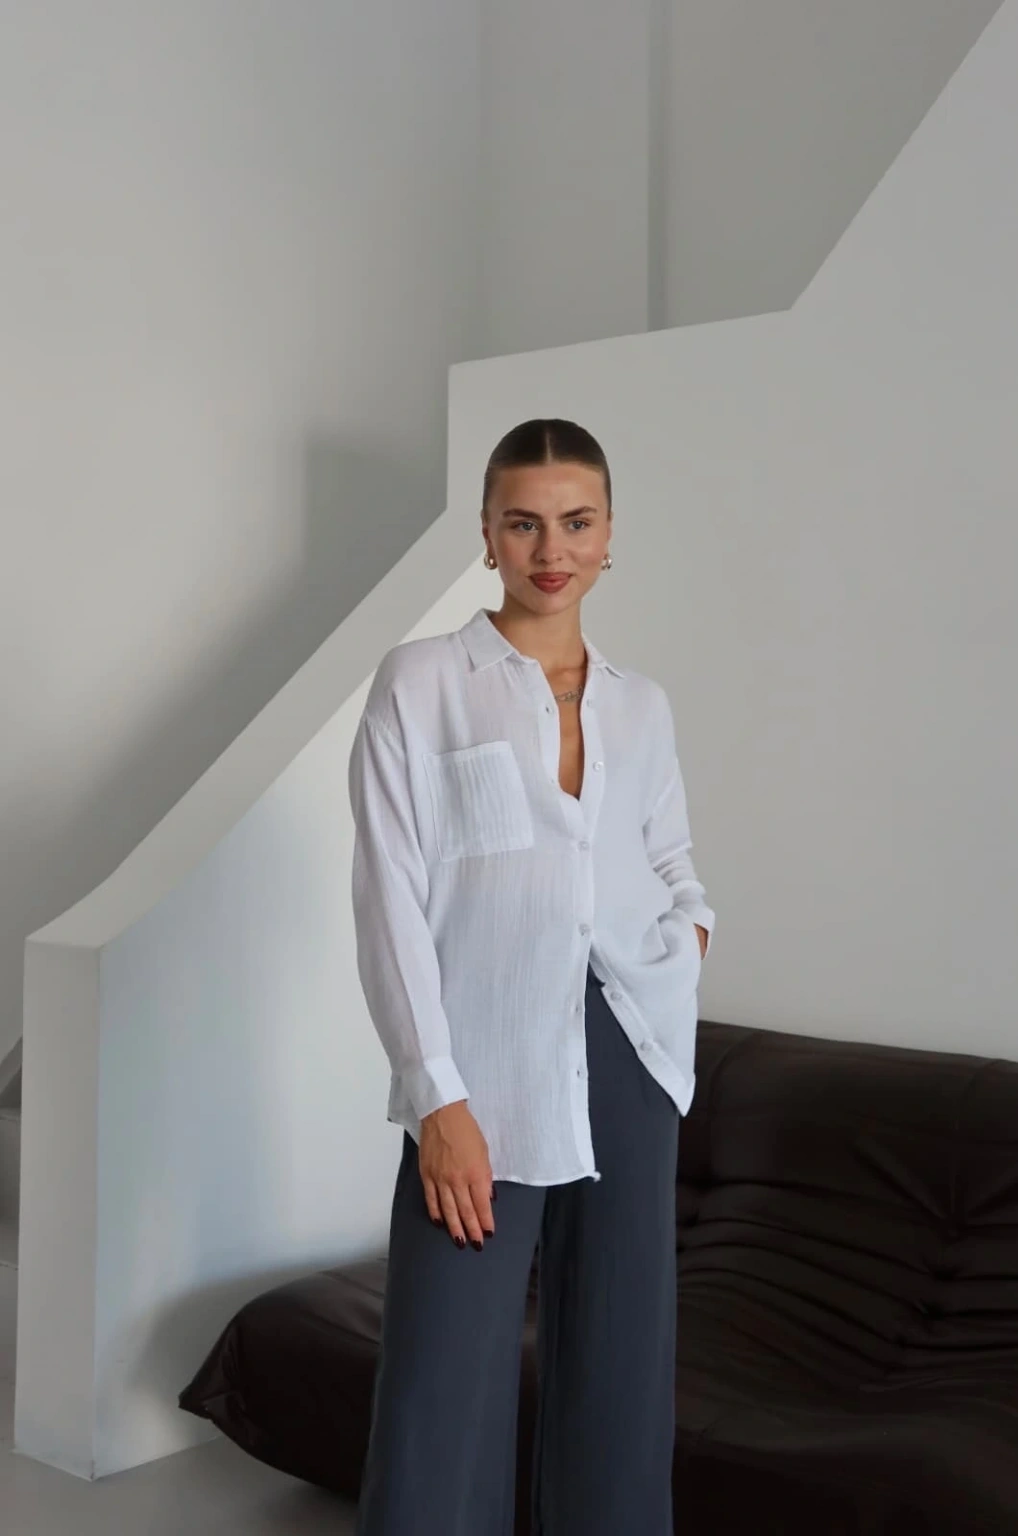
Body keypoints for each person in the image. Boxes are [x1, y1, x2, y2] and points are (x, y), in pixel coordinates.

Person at [348, 418, 715, 1536]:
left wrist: (690, 933)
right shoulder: (423, 683)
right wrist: (435, 1096)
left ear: (608, 535)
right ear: (487, 535)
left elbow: (670, 858)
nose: (551, 550)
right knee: (441, 1383)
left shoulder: (641, 704)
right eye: (523, 523)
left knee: (619, 1371)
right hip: (483, 1065)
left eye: (575, 522)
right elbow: (389, 898)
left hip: (629, 1047)